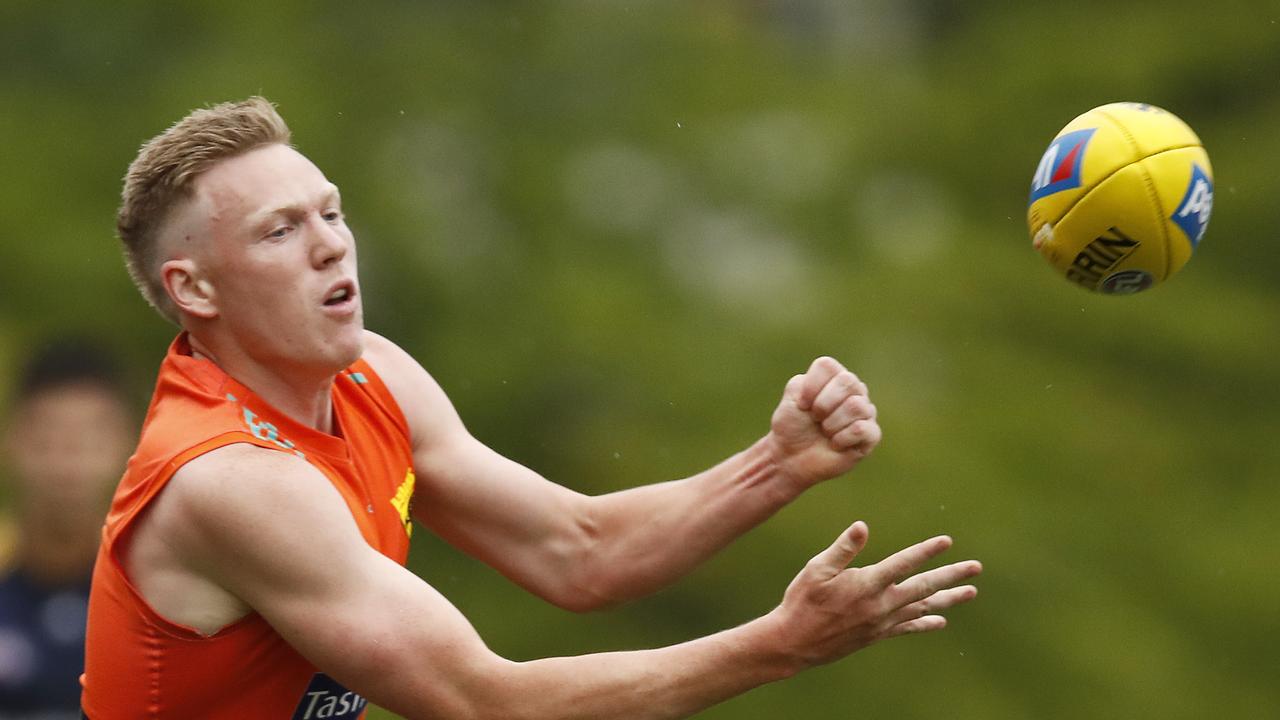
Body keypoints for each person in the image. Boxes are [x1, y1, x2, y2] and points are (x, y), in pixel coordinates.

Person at [81, 97, 982, 720]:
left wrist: (777, 464)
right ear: (192, 288)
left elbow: (578, 552)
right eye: (281, 230)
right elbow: (486, 703)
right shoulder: (231, 481)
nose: (331, 246)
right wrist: (781, 643)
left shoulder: (372, 378)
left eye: (331, 212)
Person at [0, 338, 133, 719]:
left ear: (126, 445)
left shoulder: (153, 590)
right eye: (48, 439)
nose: (67, 463)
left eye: (88, 441)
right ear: (13, 440)